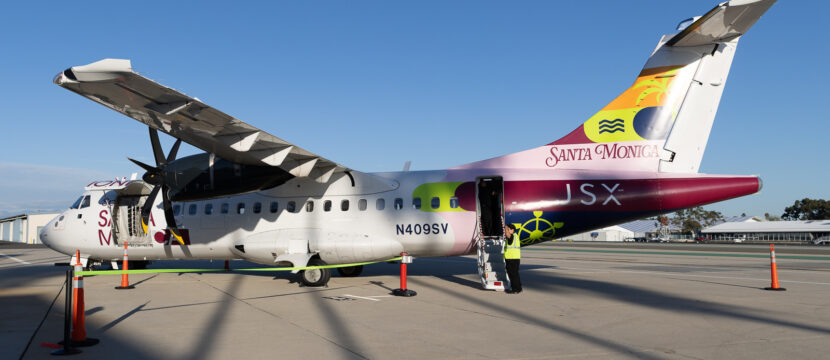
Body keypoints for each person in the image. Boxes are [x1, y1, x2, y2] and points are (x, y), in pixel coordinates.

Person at [503, 224, 522, 294]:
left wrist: (505, 227)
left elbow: (508, 235)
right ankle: (518, 288)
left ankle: (515, 289)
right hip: (512, 258)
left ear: (512, 230)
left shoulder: (512, 236)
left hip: (512, 259)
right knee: (514, 274)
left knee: (513, 275)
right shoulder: (515, 236)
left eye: (509, 229)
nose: (507, 231)